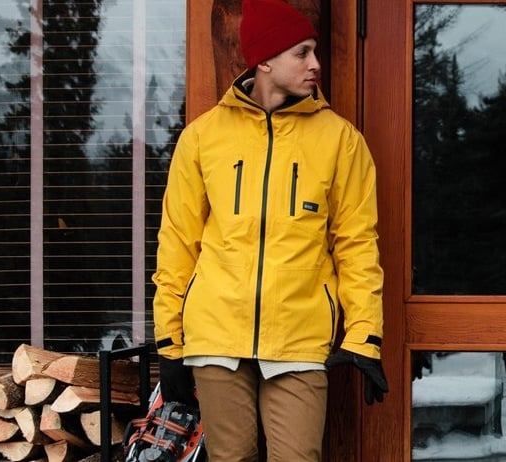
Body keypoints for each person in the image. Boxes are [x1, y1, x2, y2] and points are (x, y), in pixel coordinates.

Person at [150, 1, 387, 460]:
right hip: (215, 333)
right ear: (264, 60)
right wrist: (170, 340)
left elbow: (357, 246)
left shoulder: (340, 140)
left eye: (315, 51)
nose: (315, 64)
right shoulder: (203, 138)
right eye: (301, 53)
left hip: (298, 336)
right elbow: (178, 243)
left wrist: (363, 337)